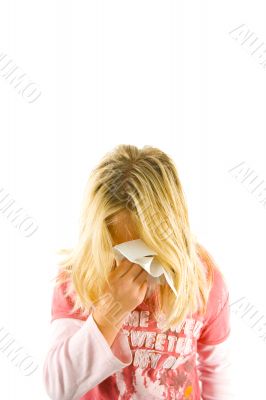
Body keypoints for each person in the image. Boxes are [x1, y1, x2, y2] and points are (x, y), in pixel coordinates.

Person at [42, 144, 235, 399]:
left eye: (147, 253)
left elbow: (216, 372)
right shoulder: (79, 277)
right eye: (119, 252)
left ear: (170, 237)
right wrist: (109, 312)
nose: (134, 268)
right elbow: (58, 388)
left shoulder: (202, 280)